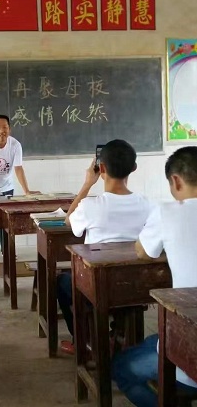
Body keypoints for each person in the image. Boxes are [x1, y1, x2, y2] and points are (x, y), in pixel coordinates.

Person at [112, 146, 197, 407]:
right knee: (153, 340)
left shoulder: (167, 211)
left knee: (122, 368)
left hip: (190, 354)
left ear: (176, 181)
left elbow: (143, 251)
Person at [58, 139, 152, 355]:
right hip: (137, 284)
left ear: (101, 169)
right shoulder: (147, 204)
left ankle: (84, 341)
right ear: (134, 168)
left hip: (98, 286)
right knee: (119, 289)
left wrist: (87, 184)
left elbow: (68, 220)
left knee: (62, 283)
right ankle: (116, 334)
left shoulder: (91, 206)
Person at [0, 114, 37, 255]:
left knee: (7, 219)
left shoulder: (15, 145)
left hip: (7, 187)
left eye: (4, 127)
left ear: (9, 129)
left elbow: (18, 168)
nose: (1, 131)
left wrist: (27, 191)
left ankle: (6, 249)